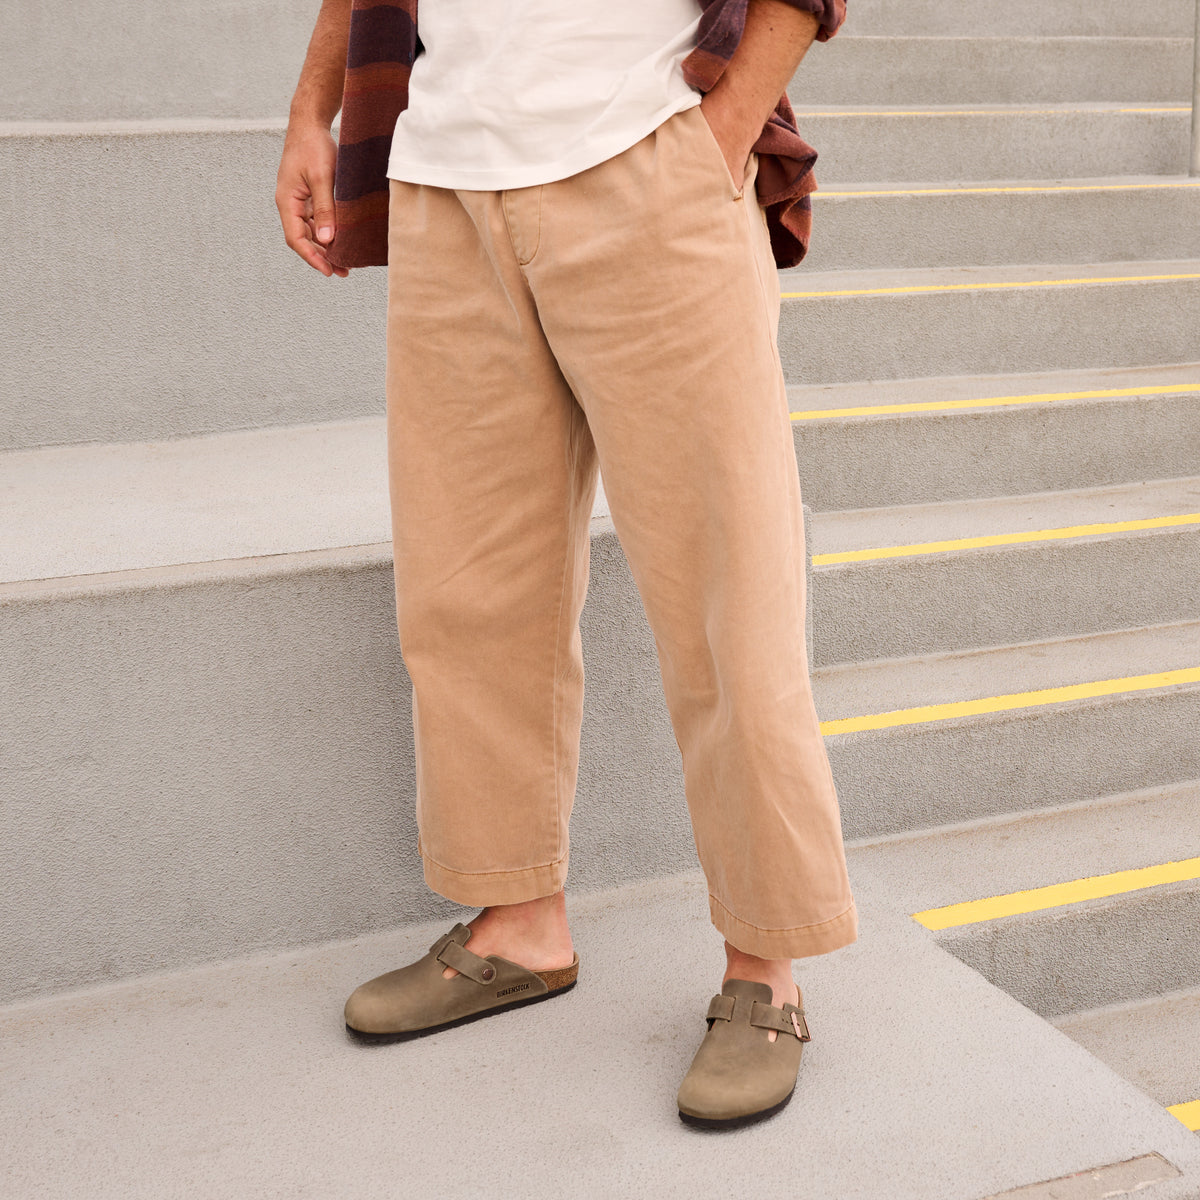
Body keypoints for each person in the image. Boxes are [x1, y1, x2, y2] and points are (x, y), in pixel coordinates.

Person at [276, 0, 857, 1129]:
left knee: (729, 597)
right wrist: (315, 107)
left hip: (645, 161)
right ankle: (517, 924)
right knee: (467, 590)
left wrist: (721, 137)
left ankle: (765, 966)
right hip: (445, 180)